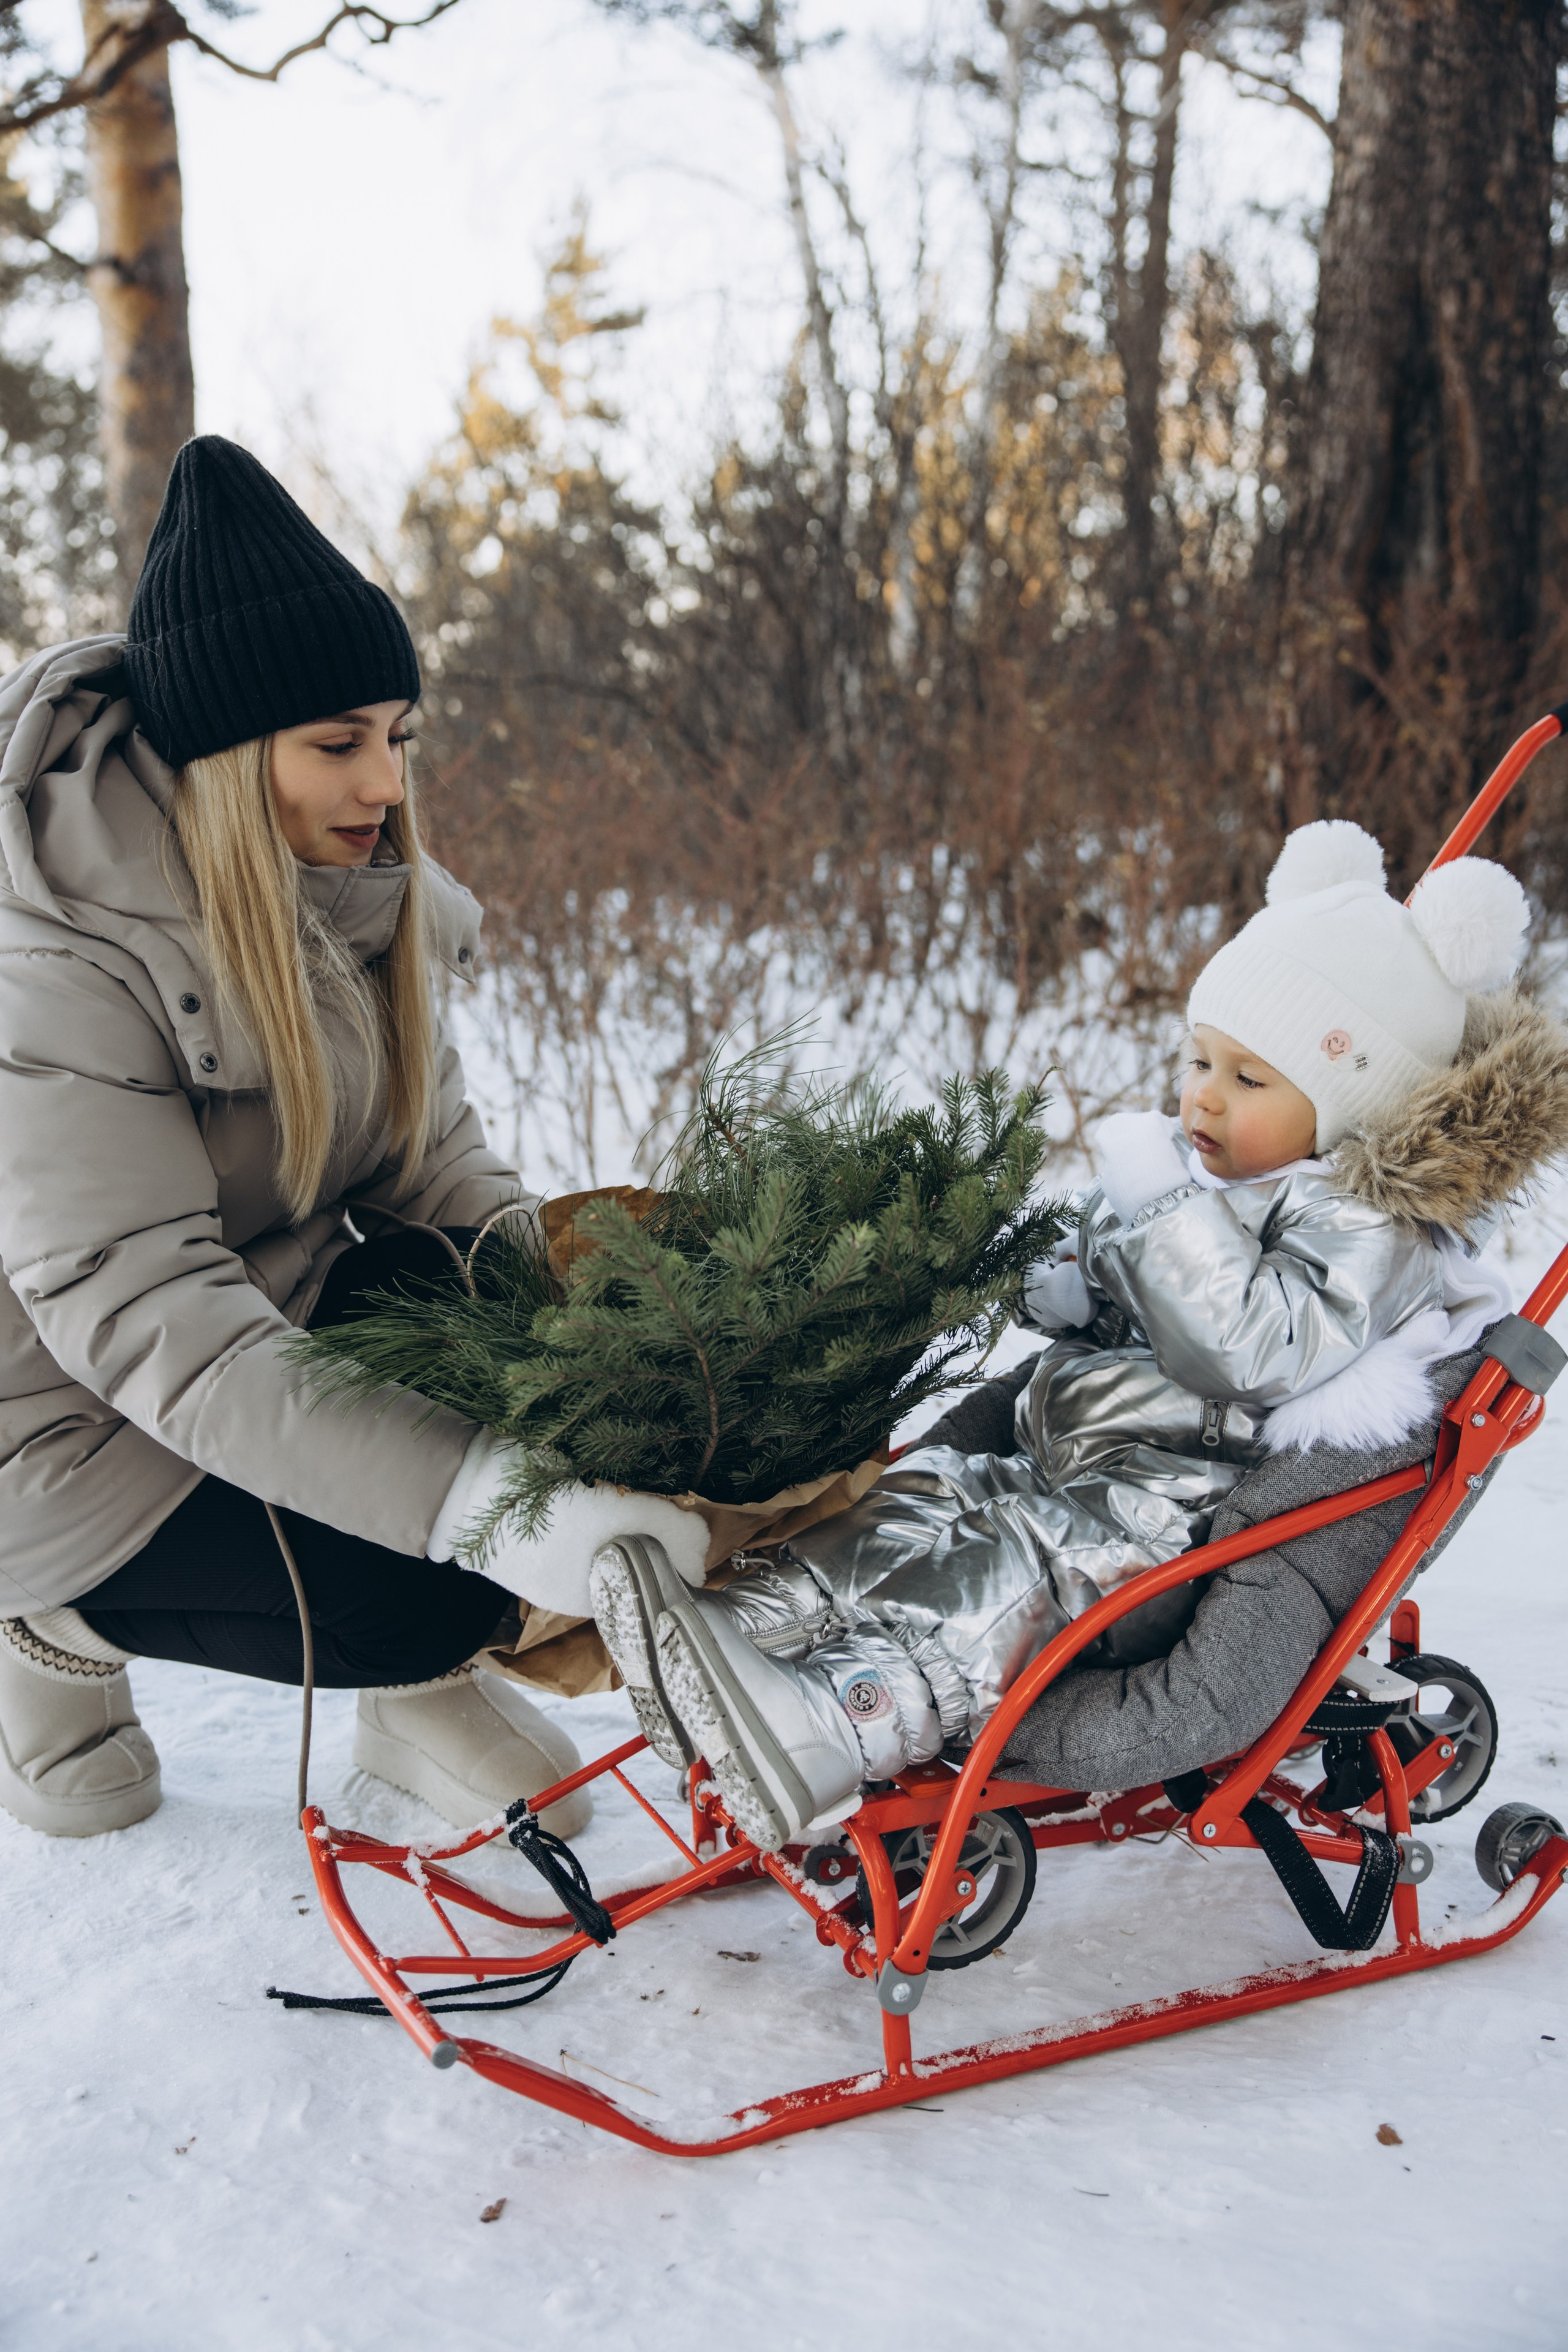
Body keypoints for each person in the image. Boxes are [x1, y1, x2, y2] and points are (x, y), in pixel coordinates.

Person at [586, 818, 1568, 1850]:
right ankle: (739, 1638)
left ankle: (830, 1722)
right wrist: (1071, 1280)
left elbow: (1246, 1349)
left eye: (1249, 1079)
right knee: (928, 1497)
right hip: (1076, 1463)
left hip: (1162, 1524)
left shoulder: (1371, 1228)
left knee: (997, 1572)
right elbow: (1138, 1299)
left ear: (1352, 1106)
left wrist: (1155, 1216)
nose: (1202, 1096)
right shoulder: (1219, 1178)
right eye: (1198, 1060)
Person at [0, 436, 703, 1841]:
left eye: (398, 735)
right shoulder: (57, 966)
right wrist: (468, 1502)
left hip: (267, 1323)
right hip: (64, 1431)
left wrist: (589, 1304)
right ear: (219, 753)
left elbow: (438, 1173)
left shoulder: (345, 897)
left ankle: (416, 1698)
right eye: (337, 743)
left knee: (548, 1399)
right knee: (425, 1579)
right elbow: (149, 1319)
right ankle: (46, 1629)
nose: (385, 781)